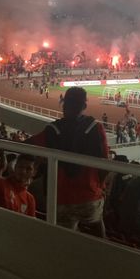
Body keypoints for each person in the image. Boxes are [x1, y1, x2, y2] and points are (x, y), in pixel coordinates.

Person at [27, 87, 109, 237]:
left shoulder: (52, 130)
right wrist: (101, 187)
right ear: (84, 106)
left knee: (63, 240)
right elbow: (105, 164)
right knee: (97, 226)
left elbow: (26, 145)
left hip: (60, 197)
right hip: (89, 195)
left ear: (64, 105)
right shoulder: (96, 127)